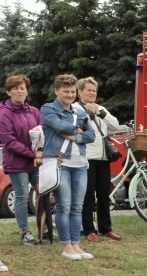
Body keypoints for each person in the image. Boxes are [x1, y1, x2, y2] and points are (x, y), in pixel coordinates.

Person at [41, 74, 96, 260]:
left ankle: (76, 244)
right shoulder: (48, 108)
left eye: (72, 92)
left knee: (77, 207)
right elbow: (58, 125)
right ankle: (66, 246)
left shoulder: (79, 112)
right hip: (60, 162)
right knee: (64, 206)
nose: (70, 95)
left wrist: (74, 136)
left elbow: (91, 136)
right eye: (66, 91)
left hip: (80, 163)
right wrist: (77, 130)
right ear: (56, 91)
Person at [74, 77, 122, 243]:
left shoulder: (100, 108)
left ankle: (106, 228)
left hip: (103, 158)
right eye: (89, 90)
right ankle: (89, 229)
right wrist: (87, 114)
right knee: (88, 194)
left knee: (104, 193)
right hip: (87, 157)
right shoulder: (75, 109)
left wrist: (100, 113)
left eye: (94, 90)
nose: (92, 93)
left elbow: (115, 125)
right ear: (80, 92)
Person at [0, 74, 41, 246]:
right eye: (15, 88)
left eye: (22, 88)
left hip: (36, 161)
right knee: (22, 196)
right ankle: (25, 232)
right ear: (8, 92)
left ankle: (44, 228)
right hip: (16, 163)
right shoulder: (4, 113)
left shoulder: (34, 111)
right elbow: (9, 142)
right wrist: (33, 154)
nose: (19, 91)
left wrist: (39, 152)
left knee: (43, 193)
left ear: (27, 91)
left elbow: (41, 134)